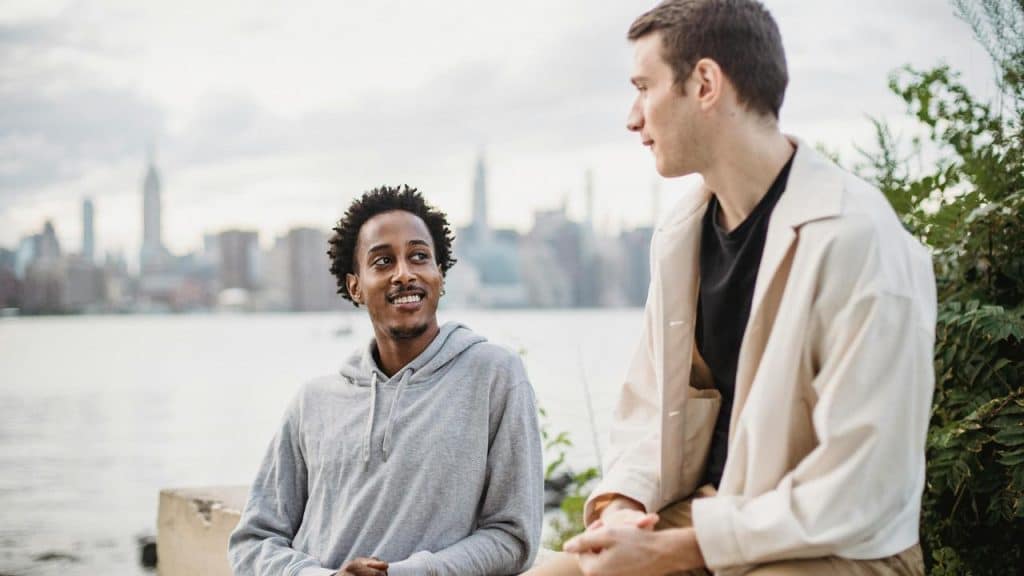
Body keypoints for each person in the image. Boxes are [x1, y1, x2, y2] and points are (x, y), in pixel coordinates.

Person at [528, 1, 936, 574]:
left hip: (840, 549)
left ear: (705, 83)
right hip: (709, 520)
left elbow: (865, 485)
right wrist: (624, 507)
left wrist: (669, 551)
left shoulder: (857, 238)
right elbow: (650, 410)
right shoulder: (679, 236)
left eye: (644, 87)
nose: (632, 117)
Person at [229, 185, 543, 576]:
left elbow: (514, 537)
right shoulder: (314, 402)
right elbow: (254, 540)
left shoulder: (494, 375)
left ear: (440, 276)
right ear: (354, 286)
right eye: (382, 262)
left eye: (419, 257)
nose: (405, 274)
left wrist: (407, 574)